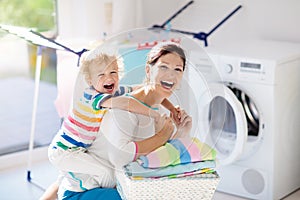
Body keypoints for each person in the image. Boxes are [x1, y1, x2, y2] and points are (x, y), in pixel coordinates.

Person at [57, 41, 192, 199]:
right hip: (82, 191)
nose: (171, 75)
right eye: (164, 67)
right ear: (148, 70)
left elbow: (154, 161)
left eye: (178, 69)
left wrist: (181, 132)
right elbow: (120, 157)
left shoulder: (159, 111)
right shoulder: (125, 107)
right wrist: (162, 136)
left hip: (109, 184)